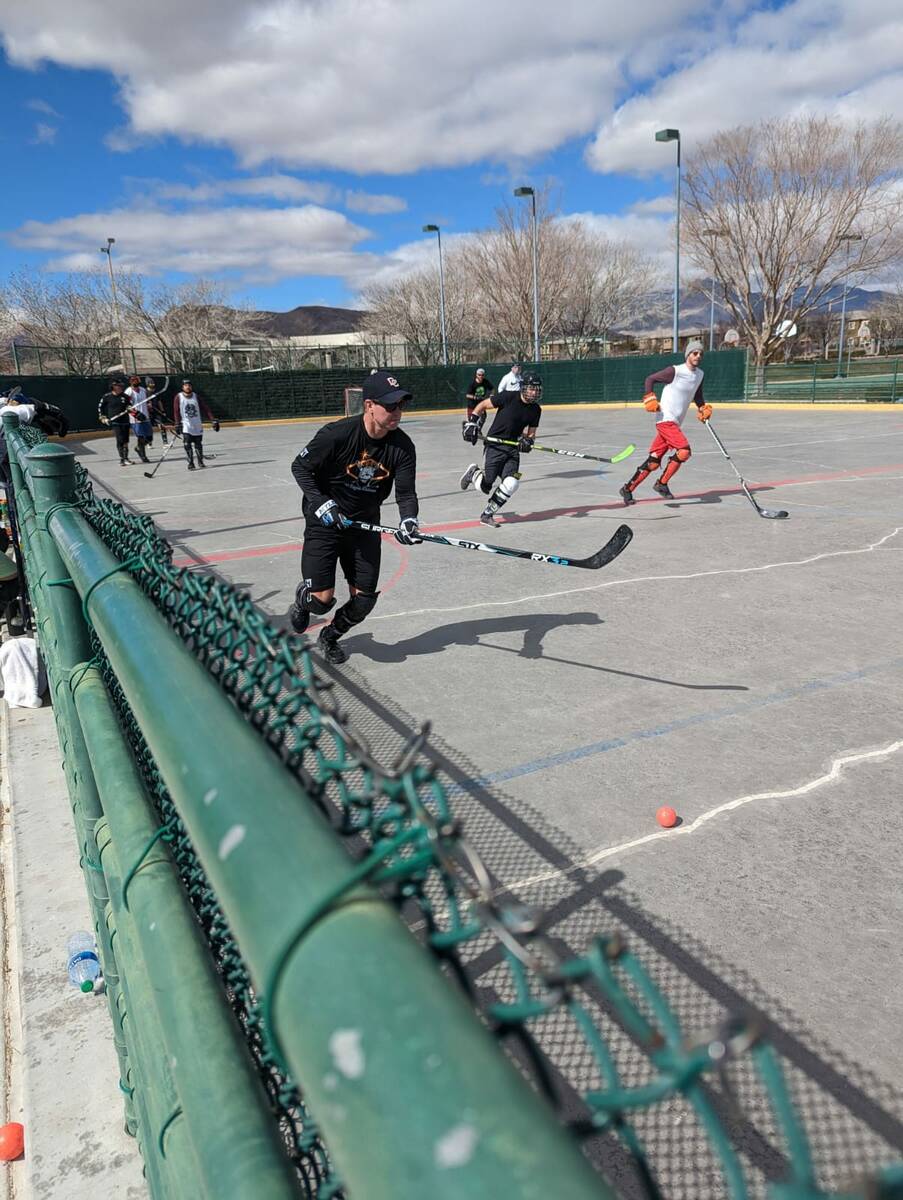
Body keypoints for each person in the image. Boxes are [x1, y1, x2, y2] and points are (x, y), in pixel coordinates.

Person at [289, 369, 421, 665]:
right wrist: (322, 503)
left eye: (401, 405)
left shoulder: (402, 448)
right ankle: (303, 600)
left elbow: (405, 494)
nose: (397, 412)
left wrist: (408, 521)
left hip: (364, 525)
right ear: (369, 405)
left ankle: (330, 636)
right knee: (320, 602)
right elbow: (300, 467)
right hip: (324, 522)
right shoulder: (337, 434)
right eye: (390, 406)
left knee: (363, 601)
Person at [619, 341, 711, 504]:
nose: (698, 356)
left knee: (654, 461)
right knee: (684, 451)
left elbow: (697, 394)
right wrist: (649, 397)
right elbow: (650, 379)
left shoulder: (700, 375)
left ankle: (627, 489)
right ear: (687, 354)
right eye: (694, 353)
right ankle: (662, 484)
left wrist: (702, 407)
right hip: (665, 419)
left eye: (701, 354)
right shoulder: (675, 371)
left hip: (675, 423)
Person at [459, 372, 542, 526]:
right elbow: (482, 405)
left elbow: (531, 434)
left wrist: (527, 442)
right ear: (523, 387)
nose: (535, 392)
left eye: (537, 389)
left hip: (512, 449)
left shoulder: (536, 410)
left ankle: (487, 514)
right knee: (486, 486)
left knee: (512, 483)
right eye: (532, 388)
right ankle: (473, 473)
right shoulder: (508, 397)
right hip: (494, 446)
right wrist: (472, 424)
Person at [173, 379, 219, 470]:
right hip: (186, 424)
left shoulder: (196, 396)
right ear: (182, 387)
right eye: (186, 385)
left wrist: (213, 420)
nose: (188, 387)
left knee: (198, 444)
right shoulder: (178, 397)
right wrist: (177, 423)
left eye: (189, 385)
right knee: (187, 443)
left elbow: (205, 408)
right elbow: (176, 411)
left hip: (197, 424)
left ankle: (200, 461)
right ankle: (190, 462)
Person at [98, 378, 133, 465]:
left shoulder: (125, 397)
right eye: (118, 386)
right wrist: (103, 417)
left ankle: (126, 458)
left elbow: (130, 406)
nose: (120, 387)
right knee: (120, 439)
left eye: (121, 386)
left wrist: (130, 408)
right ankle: (121, 459)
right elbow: (100, 407)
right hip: (115, 422)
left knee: (125, 440)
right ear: (113, 387)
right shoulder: (107, 397)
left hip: (125, 421)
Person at [125, 375, 153, 463]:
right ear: (130, 381)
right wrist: (135, 414)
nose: (135, 381)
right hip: (136, 418)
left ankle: (138, 448)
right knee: (140, 437)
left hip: (145, 416)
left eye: (136, 380)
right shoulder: (128, 392)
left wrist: (149, 404)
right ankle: (143, 455)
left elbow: (148, 400)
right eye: (133, 380)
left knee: (149, 437)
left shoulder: (143, 390)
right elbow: (127, 406)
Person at [145, 377, 169, 443]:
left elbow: (159, 401)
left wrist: (162, 411)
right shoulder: (145, 392)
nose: (152, 384)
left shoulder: (156, 392)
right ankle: (149, 443)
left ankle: (165, 442)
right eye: (150, 383)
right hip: (148, 412)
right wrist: (147, 405)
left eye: (153, 382)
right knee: (148, 428)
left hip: (157, 411)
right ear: (147, 384)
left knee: (161, 425)